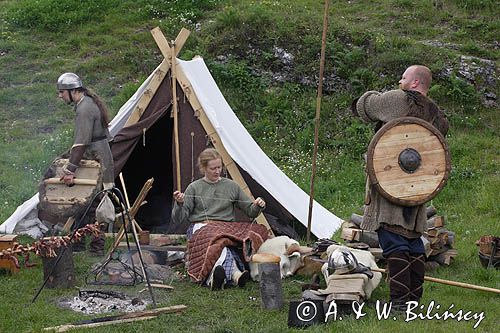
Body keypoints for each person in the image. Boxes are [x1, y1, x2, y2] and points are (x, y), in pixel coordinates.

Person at [352, 65, 449, 310]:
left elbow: (365, 107)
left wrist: (368, 96)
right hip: (418, 185)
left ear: (415, 83)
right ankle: (414, 299)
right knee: (413, 239)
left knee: (392, 238)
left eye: (404, 77)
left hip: (391, 180)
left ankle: (398, 302)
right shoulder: (435, 114)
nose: (399, 80)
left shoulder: (399, 100)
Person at [172, 148, 267, 290]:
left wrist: (258, 205)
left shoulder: (231, 186)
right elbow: (178, 218)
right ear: (204, 168)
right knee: (219, 241)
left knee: (256, 231)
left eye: (219, 167)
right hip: (202, 226)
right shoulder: (194, 188)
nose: (217, 171)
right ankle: (235, 274)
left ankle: (214, 279)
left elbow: (251, 212)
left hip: (226, 228)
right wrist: (179, 203)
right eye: (213, 168)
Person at [57, 72, 114, 255]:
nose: (60, 96)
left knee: (96, 205)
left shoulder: (85, 108)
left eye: (62, 92)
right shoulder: (87, 103)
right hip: (95, 157)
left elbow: (81, 142)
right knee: (83, 203)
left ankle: (96, 248)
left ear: (73, 91)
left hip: (97, 161)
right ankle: (79, 243)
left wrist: (70, 169)